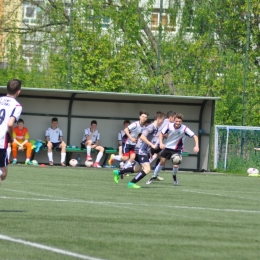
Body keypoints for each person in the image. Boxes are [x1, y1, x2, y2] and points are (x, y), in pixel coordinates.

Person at [113, 111, 165, 188]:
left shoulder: (155, 127)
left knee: (137, 169)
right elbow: (142, 137)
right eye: (162, 119)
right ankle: (131, 183)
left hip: (142, 150)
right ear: (158, 119)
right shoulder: (151, 127)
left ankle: (118, 172)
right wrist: (152, 145)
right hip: (141, 150)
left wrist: (150, 150)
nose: (163, 121)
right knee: (147, 169)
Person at [146, 113, 199, 185]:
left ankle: (174, 176)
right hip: (167, 147)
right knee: (161, 162)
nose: (178, 123)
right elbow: (161, 133)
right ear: (174, 121)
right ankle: (154, 176)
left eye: (179, 121)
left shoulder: (184, 128)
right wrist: (161, 143)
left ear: (181, 122)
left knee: (176, 164)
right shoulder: (169, 126)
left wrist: (196, 146)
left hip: (177, 149)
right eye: (176, 121)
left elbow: (195, 136)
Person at [0, 79, 22, 184]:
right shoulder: (17, 106)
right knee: (3, 173)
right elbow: (10, 124)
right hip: (1, 140)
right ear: (18, 91)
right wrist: (12, 137)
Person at [147, 110, 176, 182]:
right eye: (174, 118)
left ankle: (155, 174)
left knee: (161, 157)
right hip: (156, 142)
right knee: (147, 159)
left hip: (157, 142)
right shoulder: (168, 123)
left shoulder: (165, 121)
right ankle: (127, 168)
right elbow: (162, 133)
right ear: (171, 117)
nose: (175, 120)